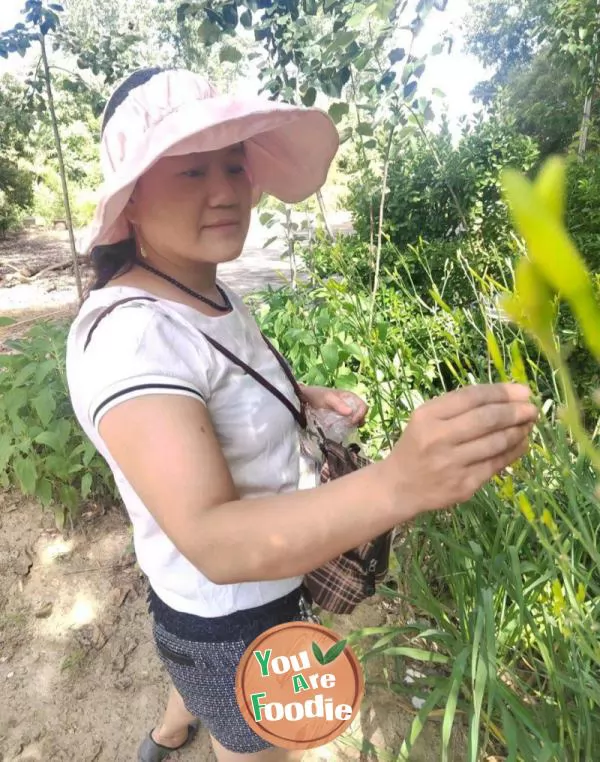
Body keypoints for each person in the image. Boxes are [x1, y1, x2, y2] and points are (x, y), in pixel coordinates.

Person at [66, 67, 538, 762]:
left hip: (218, 601)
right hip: (235, 620)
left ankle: (171, 730)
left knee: (201, 681)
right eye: (191, 172)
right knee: (264, 745)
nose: (227, 190)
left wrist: (296, 398)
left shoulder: (200, 289)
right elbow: (216, 540)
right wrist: (399, 483)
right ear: (130, 201)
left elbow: (210, 388)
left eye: (234, 163)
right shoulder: (136, 338)